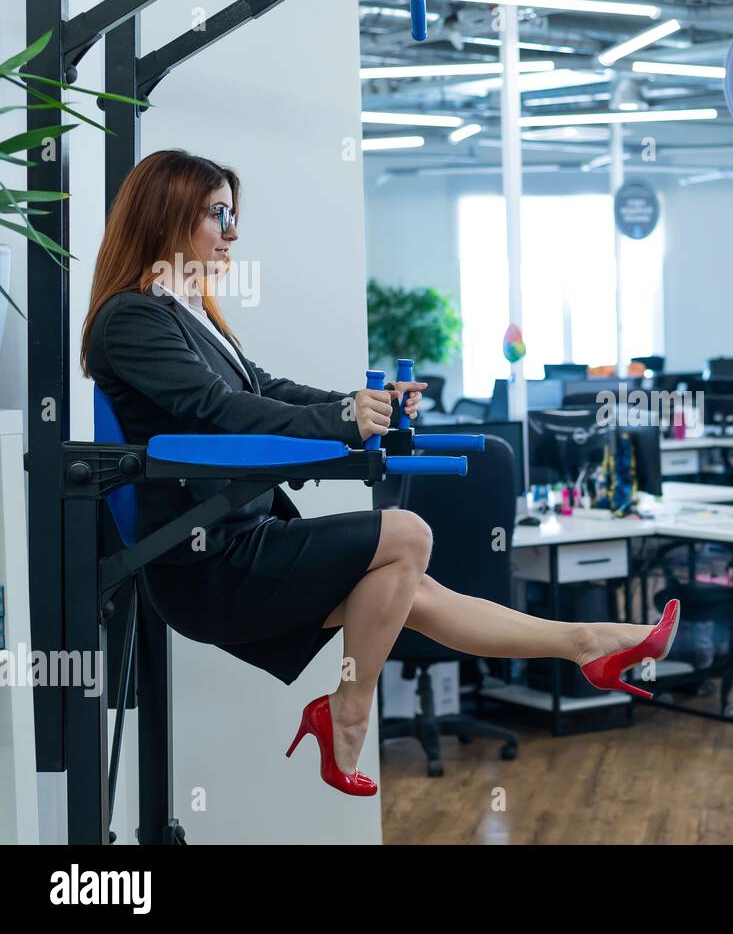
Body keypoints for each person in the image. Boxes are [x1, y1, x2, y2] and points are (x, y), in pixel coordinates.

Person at [81, 149, 678, 796]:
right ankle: (348, 708)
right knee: (408, 535)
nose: (232, 232)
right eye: (219, 214)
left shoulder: (186, 314)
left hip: (238, 543)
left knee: (410, 590)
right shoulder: (132, 317)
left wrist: (371, 408)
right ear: (166, 216)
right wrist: (345, 416)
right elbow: (217, 408)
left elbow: (266, 388)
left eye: (233, 215)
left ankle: (588, 644)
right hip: (206, 564)